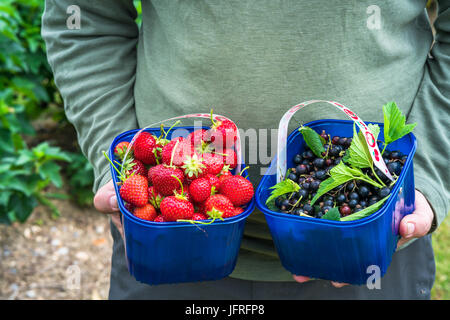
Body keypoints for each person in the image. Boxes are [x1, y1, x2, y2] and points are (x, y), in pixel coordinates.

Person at [42, 0, 449, 299]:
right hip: (172, 245)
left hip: (371, 244)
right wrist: (124, 165)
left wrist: (428, 171)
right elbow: (82, 18)